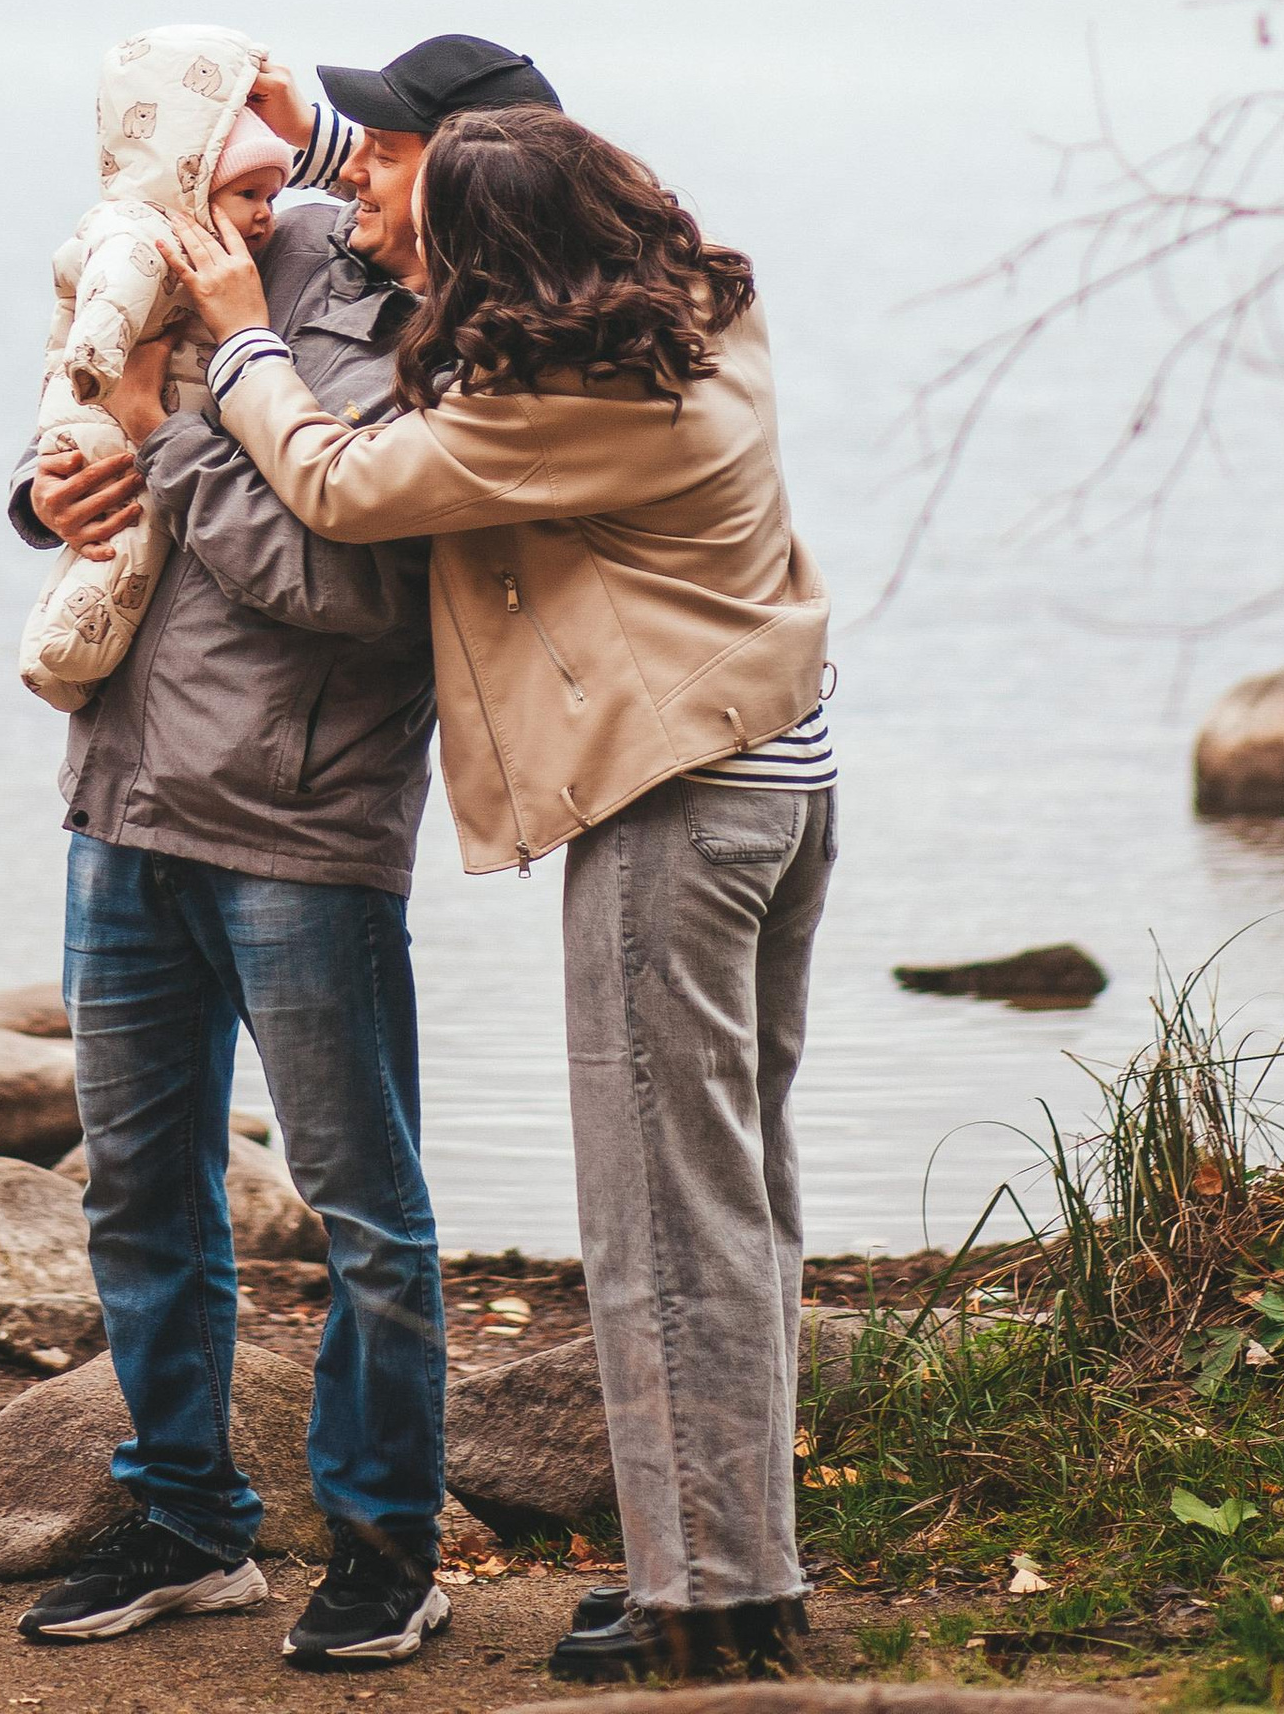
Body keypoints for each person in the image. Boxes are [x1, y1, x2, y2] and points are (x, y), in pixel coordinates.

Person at [172, 107, 833, 1693]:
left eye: (429, 231)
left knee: (657, 1224)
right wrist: (325, 135)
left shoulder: (557, 410)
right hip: (783, 784)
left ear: (497, 261)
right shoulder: (699, 317)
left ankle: (702, 1612)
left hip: (672, 802)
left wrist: (241, 338)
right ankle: (748, 1573)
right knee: (741, 1207)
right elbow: (510, 189)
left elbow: (335, 482)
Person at [6, 33, 562, 1671]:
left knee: (364, 1215)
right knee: (140, 1196)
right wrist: (51, 492)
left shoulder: (474, 355)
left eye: (384, 143)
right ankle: (187, 1524)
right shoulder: (254, 238)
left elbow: (358, 591)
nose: (343, 162)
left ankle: (389, 1547)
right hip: (121, 800)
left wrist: (169, 450)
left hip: (304, 836)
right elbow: (78, 435)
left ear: (469, 170)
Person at [17, 25, 299, 707]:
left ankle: (63, 659)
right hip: (103, 415)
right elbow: (103, 313)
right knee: (111, 542)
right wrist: (38, 493)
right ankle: (57, 660)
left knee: (124, 554)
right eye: (247, 197)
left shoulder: (290, 258)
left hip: (213, 704)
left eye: (271, 197)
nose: (264, 217)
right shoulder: (135, 234)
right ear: (199, 186)